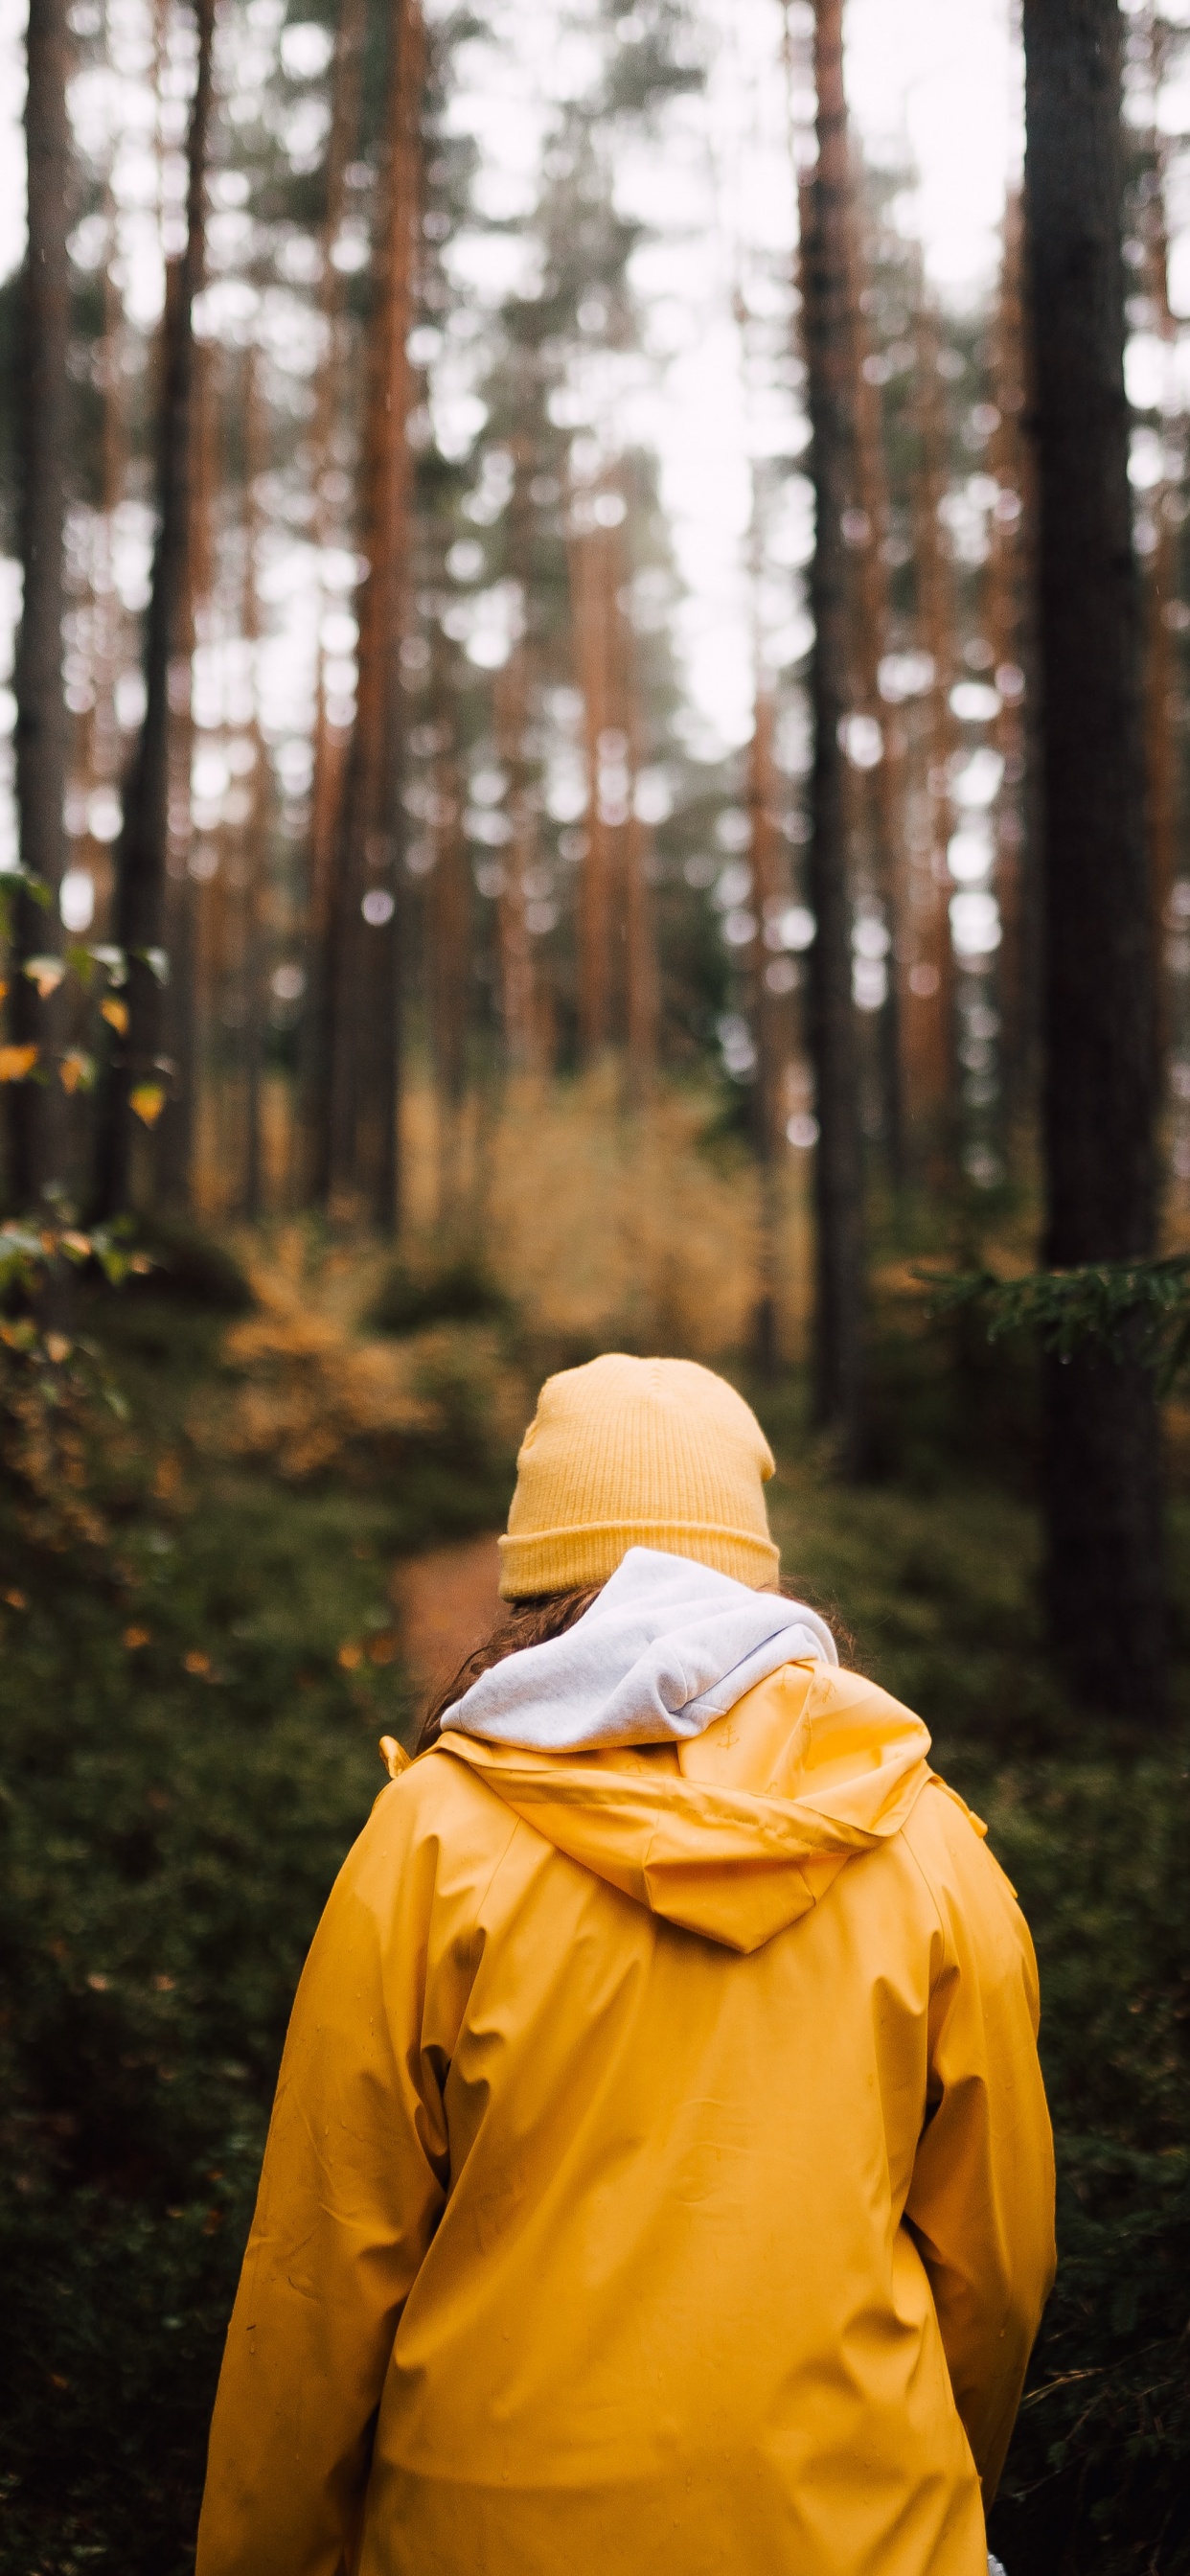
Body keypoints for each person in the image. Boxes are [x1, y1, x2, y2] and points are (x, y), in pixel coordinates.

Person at [196, 1353, 1055, 2576]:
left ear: (531, 1575)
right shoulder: (924, 1841)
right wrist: (919, 2483)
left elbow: (322, 2269)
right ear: (749, 1564)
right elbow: (999, 2265)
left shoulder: (432, 1838)